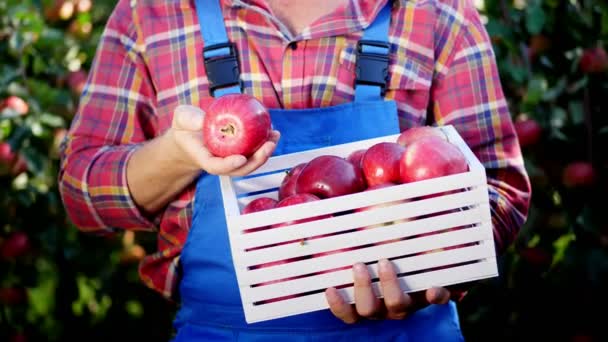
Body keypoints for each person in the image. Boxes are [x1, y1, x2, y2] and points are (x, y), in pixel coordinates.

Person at [58, 0, 531, 340]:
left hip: (404, 329)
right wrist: (179, 155)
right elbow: (84, 196)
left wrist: (427, 264)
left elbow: (500, 191)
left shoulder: (437, 14)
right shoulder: (151, 15)